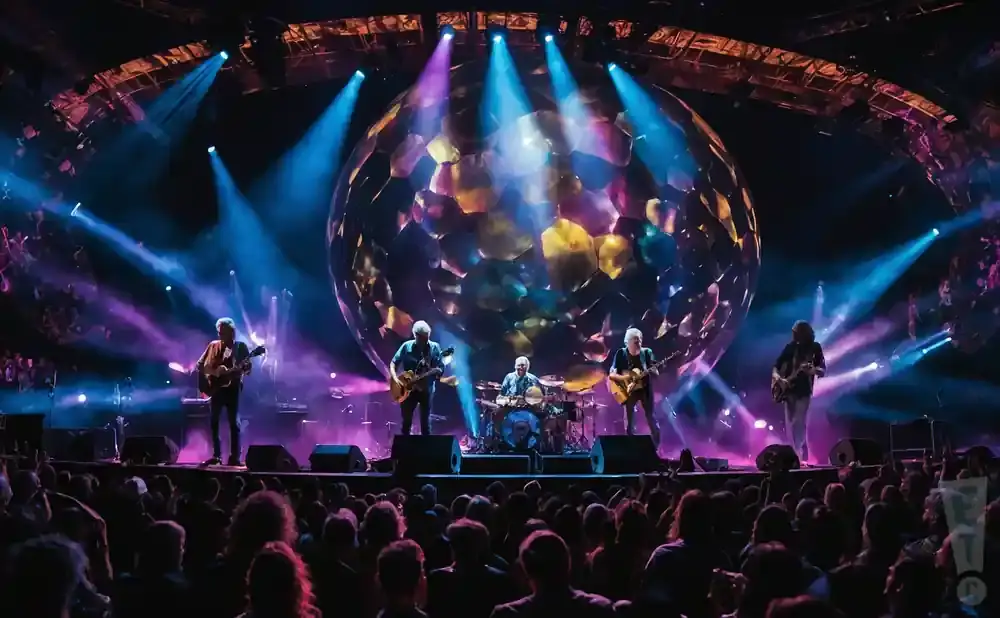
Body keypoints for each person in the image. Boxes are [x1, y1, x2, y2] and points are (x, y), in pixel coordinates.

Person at [196, 317, 253, 466]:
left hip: (233, 389)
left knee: (234, 423)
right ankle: (217, 456)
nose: (220, 336)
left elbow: (248, 370)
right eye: (219, 333)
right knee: (214, 422)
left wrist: (244, 367)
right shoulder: (212, 346)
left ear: (232, 332)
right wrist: (214, 373)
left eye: (224, 333)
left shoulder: (240, 348)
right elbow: (200, 365)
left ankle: (235, 457)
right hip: (215, 388)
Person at [772, 321, 825, 462]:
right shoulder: (790, 348)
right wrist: (779, 380)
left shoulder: (815, 348)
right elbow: (775, 367)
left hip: (804, 390)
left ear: (803, 333)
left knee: (799, 421)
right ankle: (797, 455)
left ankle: (799, 454)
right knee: (790, 425)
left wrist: (812, 370)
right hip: (788, 390)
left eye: (796, 332)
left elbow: (822, 370)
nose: (793, 335)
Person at [389, 321, 445, 435]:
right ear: (415, 335)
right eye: (423, 338)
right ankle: (405, 450)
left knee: (426, 425)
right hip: (407, 390)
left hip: (426, 390)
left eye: (427, 337)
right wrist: (395, 379)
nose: (425, 341)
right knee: (406, 424)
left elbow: (440, 368)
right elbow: (393, 363)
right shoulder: (406, 346)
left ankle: (426, 451)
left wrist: (438, 371)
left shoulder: (434, 348)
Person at [609, 328, 661, 447]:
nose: (639, 344)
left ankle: (656, 448)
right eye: (636, 341)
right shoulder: (621, 353)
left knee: (651, 417)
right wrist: (627, 377)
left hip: (645, 388)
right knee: (629, 422)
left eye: (640, 340)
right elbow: (612, 375)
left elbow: (656, 373)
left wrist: (653, 370)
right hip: (628, 391)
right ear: (627, 342)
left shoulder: (647, 353)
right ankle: (631, 447)